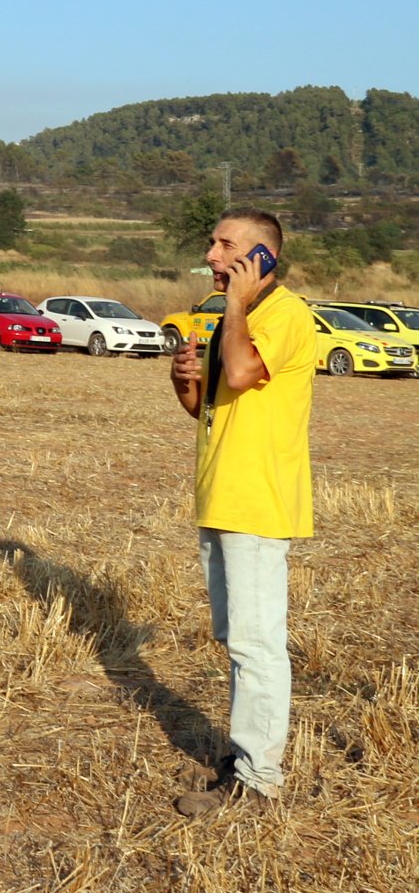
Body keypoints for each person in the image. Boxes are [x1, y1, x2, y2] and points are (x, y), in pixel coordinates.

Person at [167, 207, 318, 817]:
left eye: (225, 245)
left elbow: (242, 369)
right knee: (236, 640)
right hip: (222, 494)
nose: (210, 255)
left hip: (257, 499)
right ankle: (247, 756)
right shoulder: (241, 315)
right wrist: (184, 384)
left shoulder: (284, 314)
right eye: (211, 243)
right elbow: (211, 407)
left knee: (257, 645)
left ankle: (259, 778)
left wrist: (237, 303)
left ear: (262, 257)